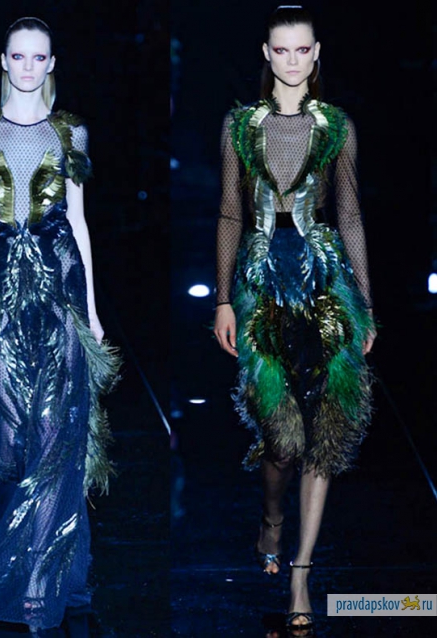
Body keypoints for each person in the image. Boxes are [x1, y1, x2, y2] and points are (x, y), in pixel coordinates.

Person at [0, 16, 120, 631]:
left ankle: (41, 573)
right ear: (3, 60)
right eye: (18, 56)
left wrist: (92, 308)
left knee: (54, 430)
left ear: (51, 64)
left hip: (60, 290)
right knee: (9, 433)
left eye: (38, 57)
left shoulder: (70, 132)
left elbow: (79, 221)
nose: (27, 67)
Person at [213, 6, 375, 632]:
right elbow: (230, 212)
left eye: (302, 49)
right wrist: (222, 300)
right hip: (260, 284)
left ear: (316, 52)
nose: (291, 60)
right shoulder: (240, 126)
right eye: (280, 50)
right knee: (281, 438)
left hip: (324, 282)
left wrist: (366, 305)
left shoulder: (335, 126)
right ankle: (272, 518)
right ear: (266, 53)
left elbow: (350, 214)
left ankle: (301, 573)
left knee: (326, 429)